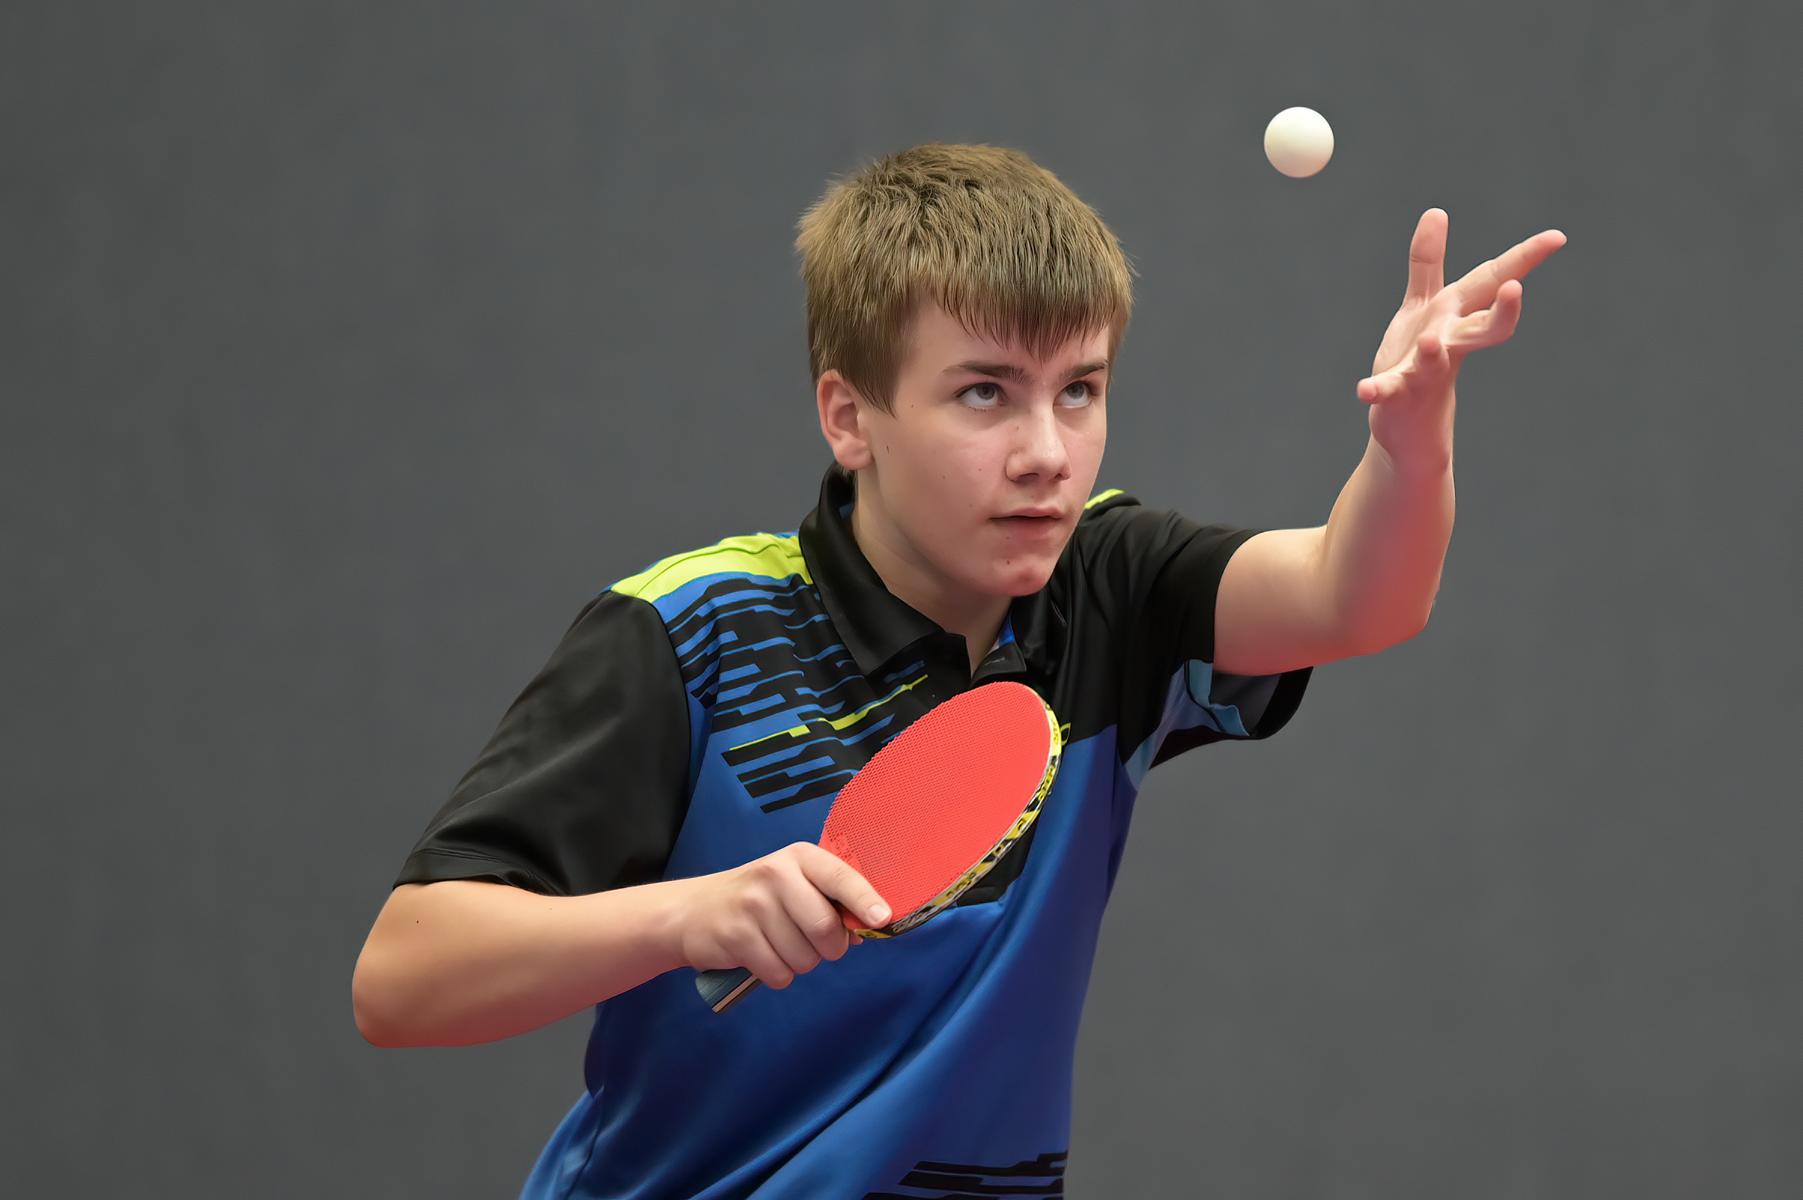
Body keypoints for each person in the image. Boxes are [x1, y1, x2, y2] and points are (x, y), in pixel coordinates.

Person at [352, 142, 1564, 1198]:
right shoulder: (687, 633)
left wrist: (1410, 446)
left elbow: (1358, 597)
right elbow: (401, 978)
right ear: (850, 417)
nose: (1047, 454)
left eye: (1079, 392)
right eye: (985, 394)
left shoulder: (1108, 591)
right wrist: (684, 916)